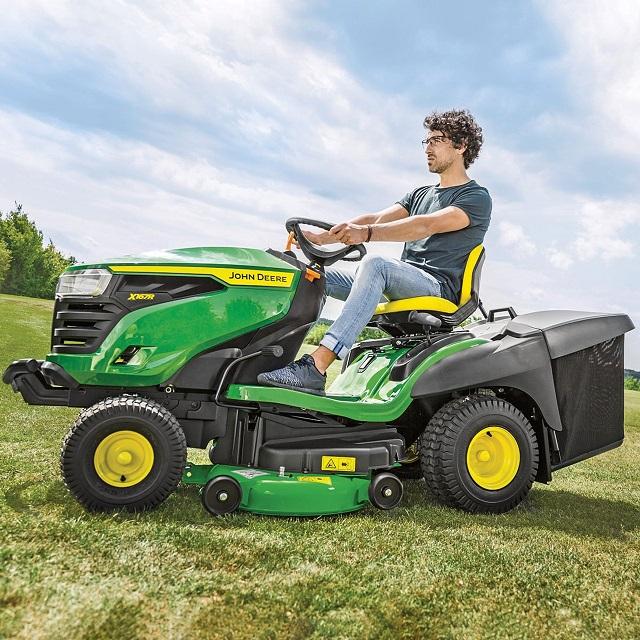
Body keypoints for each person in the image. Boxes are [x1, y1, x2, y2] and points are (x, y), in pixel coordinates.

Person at [257, 108, 492, 392]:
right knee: (313, 277)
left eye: (436, 140)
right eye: (426, 141)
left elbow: (425, 225)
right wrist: (322, 238)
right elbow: (376, 218)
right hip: (402, 283)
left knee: (376, 264)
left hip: (436, 287)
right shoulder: (419, 194)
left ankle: (316, 367)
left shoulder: (475, 197)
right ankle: (267, 356)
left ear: (461, 145)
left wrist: (366, 234)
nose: (427, 148)